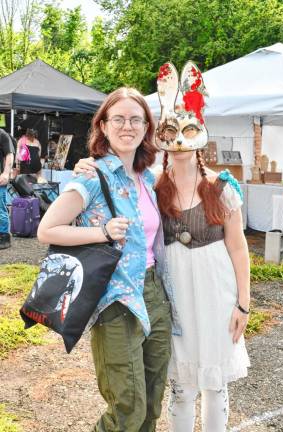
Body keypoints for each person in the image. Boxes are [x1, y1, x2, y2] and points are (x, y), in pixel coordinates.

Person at [74, 61, 250, 431]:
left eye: (190, 129)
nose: (181, 140)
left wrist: (243, 303)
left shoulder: (221, 187)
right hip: (173, 295)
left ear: (203, 131)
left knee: (214, 385)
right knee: (180, 386)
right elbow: (114, 178)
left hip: (216, 292)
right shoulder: (150, 183)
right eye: (172, 130)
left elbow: (238, 249)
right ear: (161, 136)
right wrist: (88, 166)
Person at [37, 87, 173, 432]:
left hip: (154, 294)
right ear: (104, 125)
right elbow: (47, 229)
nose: (127, 126)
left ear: (146, 127)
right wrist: (103, 232)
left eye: (135, 119)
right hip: (115, 300)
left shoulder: (146, 178)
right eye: (118, 119)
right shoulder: (90, 176)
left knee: (152, 401)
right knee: (128, 408)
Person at [0, 128, 14, 249]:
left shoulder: (2, 134)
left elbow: (9, 154)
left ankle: (4, 237)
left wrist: (6, 173)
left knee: (0, 209)